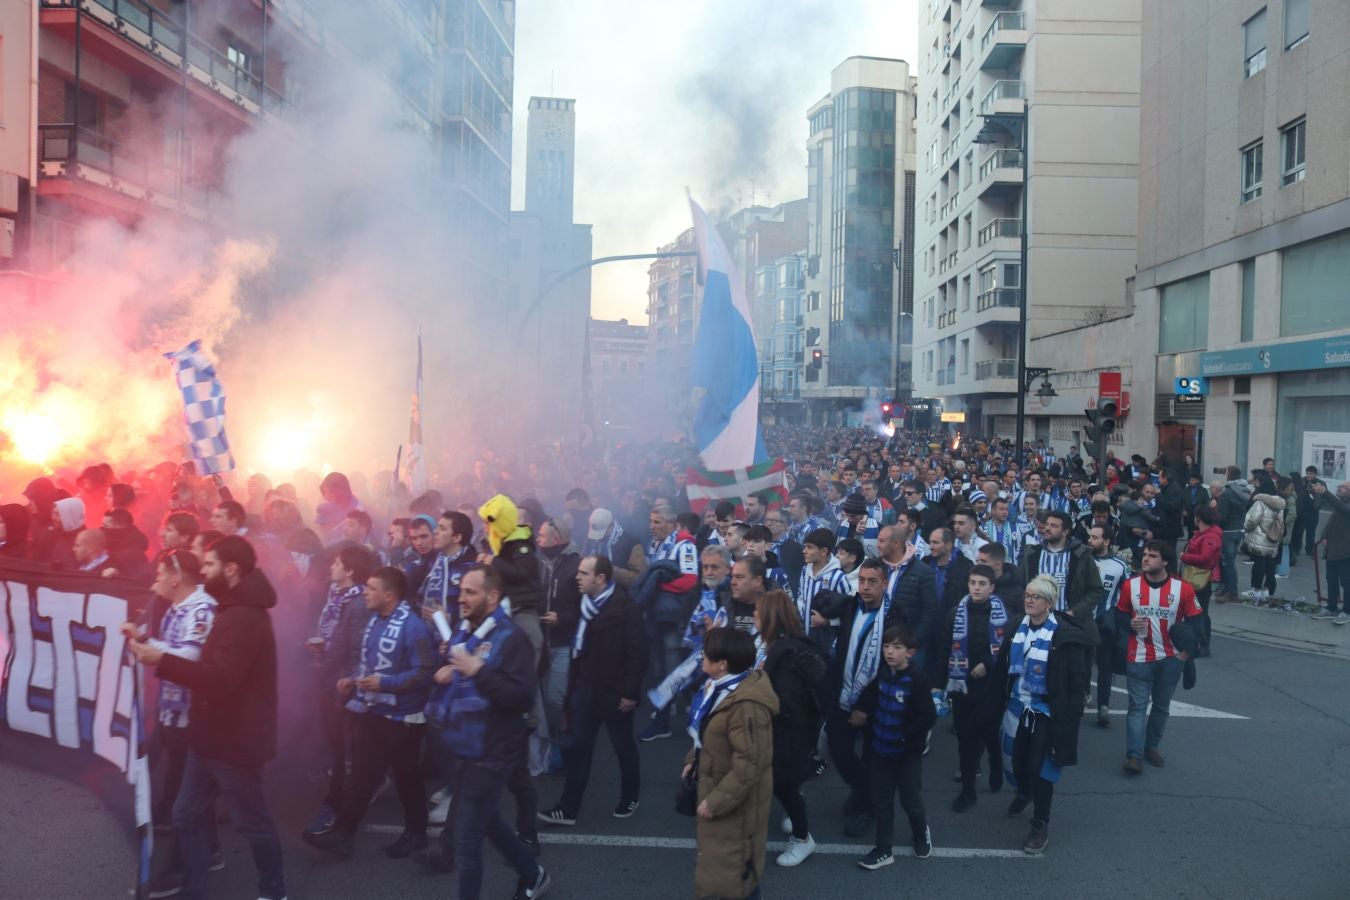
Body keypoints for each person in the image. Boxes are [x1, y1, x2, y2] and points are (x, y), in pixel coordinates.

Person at [126, 536, 287, 900]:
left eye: (210, 565)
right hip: (209, 736)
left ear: (230, 570)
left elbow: (220, 678)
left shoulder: (244, 616)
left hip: (236, 742)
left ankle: (274, 892)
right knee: (184, 815)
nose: (204, 571)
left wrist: (160, 661)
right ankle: (195, 888)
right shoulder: (230, 608)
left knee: (254, 825)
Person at [419, 566, 552, 899]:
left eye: (470, 592)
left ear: (492, 597)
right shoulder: (469, 630)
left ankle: (528, 874)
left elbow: (521, 697)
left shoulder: (511, 638)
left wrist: (477, 671)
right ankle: (532, 873)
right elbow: (465, 659)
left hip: (493, 749)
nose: (461, 598)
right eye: (461, 590)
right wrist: (454, 668)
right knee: (488, 820)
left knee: (466, 839)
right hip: (463, 745)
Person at [303, 567, 436, 859]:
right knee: (366, 776)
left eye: (371, 588)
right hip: (373, 710)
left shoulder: (413, 627)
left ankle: (414, 833)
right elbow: (371, 661)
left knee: (404, 777)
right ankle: (345, 835)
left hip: (403, 719)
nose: (365, 592)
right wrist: (353, 679)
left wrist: (385, 683)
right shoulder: (376, 620)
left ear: (388, 595)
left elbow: (425, 671)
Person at [124, 550, 219, 895]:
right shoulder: (178, 608)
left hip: (192, 718)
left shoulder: (201, 608)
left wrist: (155, 654)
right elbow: (173, 648)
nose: (155, 581)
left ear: (176, 578)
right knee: (190, 794)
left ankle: (181, 868)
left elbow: (191, 655)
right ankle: (209, 852)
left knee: (185, 798)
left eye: (160, 574)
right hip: (172, 713)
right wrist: (146, 641)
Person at [538, 555, 646, 826]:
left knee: (623, 747)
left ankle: (630, 796)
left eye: (584, 573)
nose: (577, 577)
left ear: (601, 578)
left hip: (614, 692)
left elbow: (638, 653)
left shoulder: (626, 609)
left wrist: (630, 693)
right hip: (586, 689)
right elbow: (579, 647)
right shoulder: (583, 604)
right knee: (579, 749)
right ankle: (568, 808)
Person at [991, 574, 1090, 855]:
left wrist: (1070, 719)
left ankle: (1040, 824)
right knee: (1017, 761)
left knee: (1042, 769)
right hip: (1016, 706)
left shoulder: (1065, 635)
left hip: (1046, 711)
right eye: (1027, 595)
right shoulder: (1015, 627)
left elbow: (1077, 681)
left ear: (1049, 602)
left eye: (1035, 596)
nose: (1029, 600)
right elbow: (1002, 668)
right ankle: (1023, 792)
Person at [682, 627, 778, 900]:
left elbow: (750, 764)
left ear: (722, 664)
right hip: (718, 792)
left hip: (734, 809)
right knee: (723, 873)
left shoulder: (747, 707)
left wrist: (715, 803)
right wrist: (693, 760)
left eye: (706, 654)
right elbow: (707, 733)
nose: (701, 658)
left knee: (733, 880)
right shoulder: (719, 689)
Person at [305, 544, 376, 836]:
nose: (330, 567)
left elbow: (357, 649)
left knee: (345, 753)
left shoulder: (358, 603)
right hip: (329, 676)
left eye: (336, 564)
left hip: (342, 685)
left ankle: (338, 811)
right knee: (338, 749)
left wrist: (345, 686)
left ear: (349, 571)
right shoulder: (336, 596)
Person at [853, 623, 936, 870]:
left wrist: (904, 737)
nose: (890, 651)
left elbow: (928, 716)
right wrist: (862, 709)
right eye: (886, 646)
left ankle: (920, 833)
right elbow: (871, 695)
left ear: (910, 652)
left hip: (905, 755)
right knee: (881, 801)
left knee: (910, 800)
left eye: (897, 647)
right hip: (880, 751)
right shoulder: (883, 673)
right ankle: (883, 848)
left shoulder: (917, 680)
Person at [1116, 541, 1204, 775]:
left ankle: (1151, 747)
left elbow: (1198, 623)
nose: (1146, 559)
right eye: (1144, 554)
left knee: (1162, 707)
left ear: (1165, 561)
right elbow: (1119, 615)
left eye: (1152, 556)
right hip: (1139, 656)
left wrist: (1185, 653)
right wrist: (1129, 623)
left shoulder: (1183, 589)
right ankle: (1133, 756)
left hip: (1171, 658)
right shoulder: (1130, 586)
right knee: (1136, 707)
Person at [756, 591, 826, 868]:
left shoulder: (783, 653)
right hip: (793, 732)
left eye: (758, 613)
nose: (754, 617)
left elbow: (786, 702)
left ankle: (802, 837)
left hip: (788, 734)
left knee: (783, 785)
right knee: (784, 784)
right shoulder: (784, 646)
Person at [827, 558, 894, 838]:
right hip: (842, 694)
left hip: (874, 703)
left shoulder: (894, 617)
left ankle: (868, 807)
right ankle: (862, 790)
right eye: (862, 581)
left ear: (885, 584)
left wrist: (865, 706)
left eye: (872, 582)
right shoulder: (851, 607)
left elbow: (888, 668)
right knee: (837, 747)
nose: (865, 587)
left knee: (871, 758)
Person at [937, 565, 1008, 813]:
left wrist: (987, 665)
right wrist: (939, 685)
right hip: (962, 686)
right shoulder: (955, 614)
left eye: (982, 584)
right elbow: (943, 650)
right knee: (966, 738)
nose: (976, 588)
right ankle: (968, 792)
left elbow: (1006, 650)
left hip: (990, 687)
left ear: (992, 587)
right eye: (973, 583)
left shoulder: (1001, 615)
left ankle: (996, 764)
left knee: (988, 732)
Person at [1019, 511, 1103, 648]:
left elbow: (1095, 589)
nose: (1047, 528)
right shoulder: (1032, 554)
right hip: (1037, 622)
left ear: (1065, 532)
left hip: (1070, 623)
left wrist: (1074, 612)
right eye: (1046, 524)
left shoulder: (1081, 555)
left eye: (1053, 526)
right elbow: (1021, 585)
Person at [1086, 524, 1131, 726]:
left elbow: (1128, 594)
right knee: (1082, 662)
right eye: (1090, 537)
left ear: (1106, 541)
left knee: (1105, 667)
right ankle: (1082, 695)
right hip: (1083, 621)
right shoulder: (1083, 560)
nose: (1090, 541)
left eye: (1095, 537)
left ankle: (1103, 706)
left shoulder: (1120, 565)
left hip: (1105, 623)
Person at [419, 511, 477, 626]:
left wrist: (449, 618)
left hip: (458, 638)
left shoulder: (473, 569)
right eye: (437, 527)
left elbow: (479, 610)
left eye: (442, 528)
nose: (435, 532)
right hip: (429, 636)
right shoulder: (432, 562)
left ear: (456, 537)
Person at [1179, 506, 1221, 653]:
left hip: (1201, 579)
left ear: (1199, 518)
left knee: (1199, 612)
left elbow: (1206, 557)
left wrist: (1185, 557)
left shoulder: (1210, 536)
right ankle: (1197, 641)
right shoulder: (1206, 534)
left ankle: (1202, 644)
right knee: (1197, 610)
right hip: (1196, 578)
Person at [1311, 481, 1350, 623]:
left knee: (1347, 583)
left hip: (1347, 553)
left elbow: (1345, 510)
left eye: (1344, 487)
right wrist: (1324, 536)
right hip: (1333, 551)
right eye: (1339, 487)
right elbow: (1330, 523)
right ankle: (1331, 608)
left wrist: (1325, 493)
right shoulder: (1339, 504)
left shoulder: (1343, 505)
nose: (1340, 488)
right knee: (1331, 580)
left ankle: (1347, 611)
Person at [1241, 484, 1285, 603]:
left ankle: (1256, 590)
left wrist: (1246, 527)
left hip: (1259, 539)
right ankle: (1266, 591)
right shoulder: (1280, 505)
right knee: (1270, 566)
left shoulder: (1260, 503)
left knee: (1258, 565)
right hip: (1273, 539)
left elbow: (1252, 520)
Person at [1216, 466, 1252, 601]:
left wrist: (1214, 518)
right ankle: (1227, 588)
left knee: (1227, 562)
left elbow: (1222, 516)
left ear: (1228, 475)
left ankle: (1232, 591)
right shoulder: (1245, 491)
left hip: (1227, 531)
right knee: (1229, 561)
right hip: (1239, 530)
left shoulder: (1227, 493)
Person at [925, 527, 973, 618]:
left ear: (948, 545)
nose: (930, 547)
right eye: (930, 542)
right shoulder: (925, 564)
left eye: (935, 542)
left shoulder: (965, 567)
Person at [1291, 466, 1325, 565]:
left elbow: (1324, 497)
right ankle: (1297, 548)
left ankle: (1310, 549)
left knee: (1311, 531)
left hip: (1313, 511)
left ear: (1315, 474)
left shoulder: (1321, 483)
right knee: (1299, 531)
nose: (1309, 475)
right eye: (1308, 473)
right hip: (1301, 510)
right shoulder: (1301, 481)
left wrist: (1319, 505)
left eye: (1311, 474)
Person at [978, 543, 1024, 609]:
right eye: (978, 561)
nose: (978, 565)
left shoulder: (1016, 593)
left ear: (998, 565)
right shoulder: (973, 585)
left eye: (983, 562)